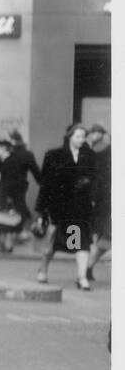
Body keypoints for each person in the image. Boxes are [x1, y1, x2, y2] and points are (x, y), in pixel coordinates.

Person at [35, 123, 97, 291]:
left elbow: (95, 180)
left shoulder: (89, 156)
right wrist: (41, 209)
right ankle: (43, 270)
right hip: (58, 208)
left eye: (83, 137)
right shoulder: (54, 155)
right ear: (70, 137)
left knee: (81, 243)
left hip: (79, 210)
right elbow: (45, 184)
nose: (81, 140)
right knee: (53, 243)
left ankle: (82, 278)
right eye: (78, 136)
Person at [85, 124, 110, 282]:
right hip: (101, 200)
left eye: (95, 132)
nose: (92, 135)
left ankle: (87, 267)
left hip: (101, 200)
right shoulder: (94, 150)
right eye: (91, 132)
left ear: (101, 134)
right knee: (103, 238)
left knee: (101, 238)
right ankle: (87, 267)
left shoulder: (100, 151)